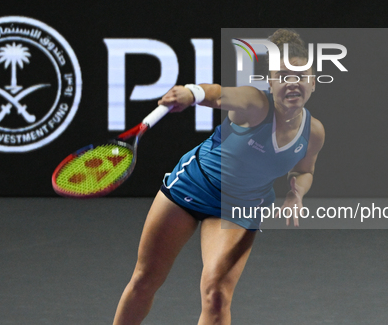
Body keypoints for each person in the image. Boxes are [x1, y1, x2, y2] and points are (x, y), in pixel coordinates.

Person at [113, 29, 325, 325]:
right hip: (193, 186)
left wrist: (295, 193)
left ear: (313, 82)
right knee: (145, 278)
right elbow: (220, 94)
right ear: (271, 81)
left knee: (217, 295)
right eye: (283, 75)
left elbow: (304, 170)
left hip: (240, 206)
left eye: (300, 75)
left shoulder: (313, 132)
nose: (292, 83)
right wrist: (193, 93)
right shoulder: (255, 104)